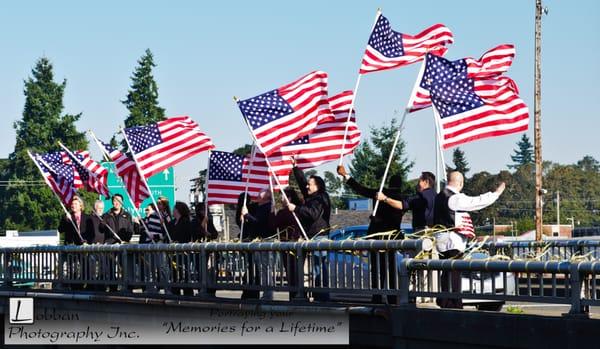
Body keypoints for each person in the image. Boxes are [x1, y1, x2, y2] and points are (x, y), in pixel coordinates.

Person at [433, 171, 506, 309]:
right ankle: (453, 304)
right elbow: (476, 202)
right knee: (454, 273)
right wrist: (495, 194)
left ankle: (445, 301)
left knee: (446, 272)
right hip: (453, 241)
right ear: (460, 183)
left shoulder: (439, 197)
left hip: (441, 240)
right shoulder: (455, 198)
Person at [337, 165, 407, 304]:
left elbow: (361, 189)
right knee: (391, 269)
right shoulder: (401, 199)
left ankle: (377, 296)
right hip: (391, 239)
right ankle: (392, 297)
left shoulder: (380, 193)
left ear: (389, 183)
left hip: (376, 237)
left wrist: (347, 176)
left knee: (376, 269)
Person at [287, 160, 331, 301]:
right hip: (309, 236)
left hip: (319, 236)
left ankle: (322, 297)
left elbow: (312, 213)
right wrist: (295, 167)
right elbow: (301, 183)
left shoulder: (321, 198)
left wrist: (296, 208)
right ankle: (305, 294)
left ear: (318, 186)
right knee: (308, 267)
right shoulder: (312, 197)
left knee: (318, 267)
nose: (306, 186)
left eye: (310, 184)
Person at [236, 189, 275, 300]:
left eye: (260, 194)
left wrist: (247, 215)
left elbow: (259, 223)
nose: (257, 196)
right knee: (261, 269)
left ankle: (268, 294)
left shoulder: (267, 208)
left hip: (265, 241)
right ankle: (265, 293)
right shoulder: (260, 207)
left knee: (265, 269)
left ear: (266, 197)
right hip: (258, 242)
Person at [270, 187, 303, 300]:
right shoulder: (298, 210)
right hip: (297, 244)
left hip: (288, 244)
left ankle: (294, 296)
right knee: (297, 272)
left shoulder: (285, 212)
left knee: (291, 272)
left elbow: (274, 225)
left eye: (283, 196)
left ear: (289, 197)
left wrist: (272, 212)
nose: (281, 198)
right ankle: (299, 294)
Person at [57, 196, 92, 290]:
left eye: (75, 204)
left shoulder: (87, 217)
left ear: (80, 206)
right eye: (72, 204)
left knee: (85, 267)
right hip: (71, 246)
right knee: (73, 268)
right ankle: (74, 285)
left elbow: (91, 232)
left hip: (83, 247)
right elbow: (60, 230)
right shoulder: (67, 217)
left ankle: (87, 284)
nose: (73, 206)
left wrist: (87, 241)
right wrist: (65, 220)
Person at [169, 201, 195, 296]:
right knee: (174, 272)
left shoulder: (185, 221)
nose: (173, 210)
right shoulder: (172, 222)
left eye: (174, 209)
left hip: (183, 252)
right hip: (173, 252)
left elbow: (187, 235)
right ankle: (175, 289)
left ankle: (187, 291)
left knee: (184, 271)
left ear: (178, 210)